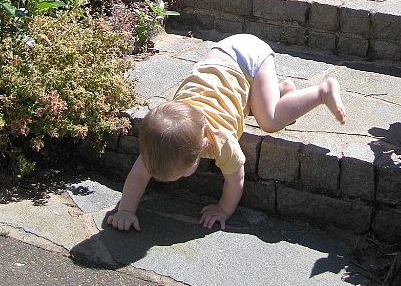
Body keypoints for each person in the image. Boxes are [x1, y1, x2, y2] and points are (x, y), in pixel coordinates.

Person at [106, 33, 347, 232]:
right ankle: (280, 92)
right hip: (219, 56)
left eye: (180, 174)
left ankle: (322, 92)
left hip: (249, 58)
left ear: (203, 145)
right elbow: (138, 176)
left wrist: (223, 209)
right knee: (247, 105)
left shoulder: (221, 140)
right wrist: (125, 210)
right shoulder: (161, 140)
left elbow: (236, 179)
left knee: (270, 121)